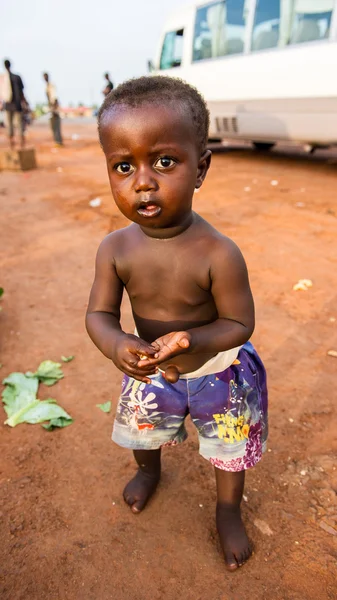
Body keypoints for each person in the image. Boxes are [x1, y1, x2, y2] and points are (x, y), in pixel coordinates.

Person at [86, 76, 268, 571]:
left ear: (200, 167)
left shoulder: (218, 252)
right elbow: (98, 314)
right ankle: (149, 472)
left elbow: (239, 322)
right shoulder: (115, 249)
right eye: (124, 166)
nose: (143, 181)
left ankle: (228, 510)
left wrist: (195, 339)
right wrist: (116, 342)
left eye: (164, 161)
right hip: (151, 372)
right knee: (144, 433)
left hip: (220, 372)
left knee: (228, 448)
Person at [2, 59, 25, 149]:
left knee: (11, 125)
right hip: (16, 105)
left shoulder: (4, 78)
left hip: (9, 105)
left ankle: (14, 144)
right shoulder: (16, 77)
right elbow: (21, 92)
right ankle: (20, 143)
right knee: (18, 124)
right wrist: (24, 102)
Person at [43, 72, 63, 146]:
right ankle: (57, 140)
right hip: (51, 108)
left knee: (56, 125)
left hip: (54, 109)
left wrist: (54, 109)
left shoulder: (51, 86)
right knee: (53, 125)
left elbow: (54, 98)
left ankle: (58, 141)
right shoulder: (47, 86)